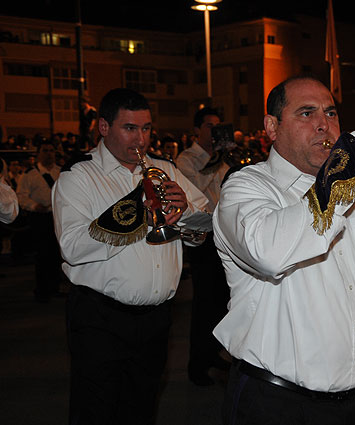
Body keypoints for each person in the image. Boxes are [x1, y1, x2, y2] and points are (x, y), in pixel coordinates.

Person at [211, 76, 355, 425]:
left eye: (331, 113)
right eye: (306, 113)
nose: (323, 124)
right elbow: (268, 252)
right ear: (272, 127)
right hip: (274, 403)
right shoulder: (247, 186)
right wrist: (339, 184)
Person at [52, 88, 209, 425]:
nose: (142, 139)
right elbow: (73, 246)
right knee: (95, 411)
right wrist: (136, 208)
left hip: (157, 318)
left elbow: (203, 229)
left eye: (147, 128)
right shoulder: (78, 176)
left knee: (141, 408)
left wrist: (184, 213)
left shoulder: (165, 169)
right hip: (100, 317)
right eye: (130, 128)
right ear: (104, 127)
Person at [175, 107, 232, 386]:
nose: (215, 131)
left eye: (218, 126)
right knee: (204, 304)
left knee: (222, 301)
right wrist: (217, 161)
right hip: (201, 235)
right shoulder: (185, 159)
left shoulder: (221, 159)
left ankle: (213, 353)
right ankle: (197, 364)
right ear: (197, 130)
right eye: (210, 126)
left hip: (223, 235)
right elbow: (196, 189)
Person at [17, 139, 62, 302]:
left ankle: (55, 287)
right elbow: (21, 196)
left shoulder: (61, 172)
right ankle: (42, 290)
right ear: (38, 154)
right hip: (39, 218)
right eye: (45, 151)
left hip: (57, 217)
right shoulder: (30, 175)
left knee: (56, 254)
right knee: (42, 254)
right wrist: (35, 206)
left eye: (51, 150)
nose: (49, 154)